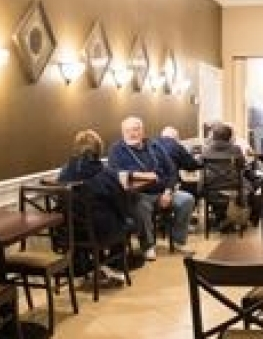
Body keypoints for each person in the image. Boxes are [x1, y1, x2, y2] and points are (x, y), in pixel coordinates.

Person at [107, 116, 195, 259]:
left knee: (187, 199)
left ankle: (178, 240)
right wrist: (140, 175)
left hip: (162, 191)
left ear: (142, 131)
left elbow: (172, 170)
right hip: (137, 195)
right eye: (128, 131)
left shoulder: (154, 146)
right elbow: (114, 173)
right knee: (141, 205)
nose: (132, 134)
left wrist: (168, 192)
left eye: (135, 129)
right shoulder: (117, 150)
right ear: (123, 133)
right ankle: (148, 246)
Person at [57, 129, 131, 282]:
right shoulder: (105, 174)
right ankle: (113, 266)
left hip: (69, 231)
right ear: (98, 150)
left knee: (103, 217)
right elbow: (120, 203)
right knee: (126, 222)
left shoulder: (64, 173)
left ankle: (90, 266)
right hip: (99, 232)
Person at [201, 122, 251, 230]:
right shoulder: (236, 149)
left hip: (210, 191)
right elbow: (242, 166)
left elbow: (200, 165)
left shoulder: (206, 150)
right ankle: (233, 219)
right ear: (229, 137)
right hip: (233, 190)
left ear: (213, 136)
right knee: (247, 187)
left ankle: (223, 220)